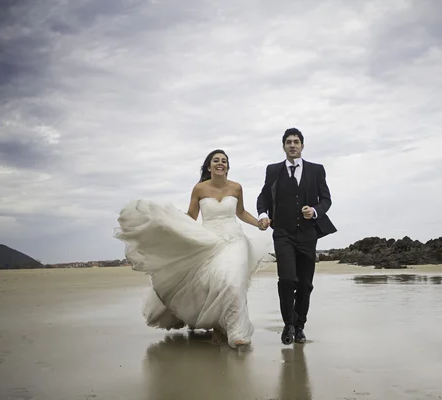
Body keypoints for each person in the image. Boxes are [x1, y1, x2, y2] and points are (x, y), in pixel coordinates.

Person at [113, 149, 273, 348]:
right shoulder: (199, 189)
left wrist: (258, 223)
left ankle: (237, 331)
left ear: (228, 167)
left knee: (232, 281)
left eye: (224, 161)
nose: (220, 163)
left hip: (235, 240)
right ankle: (218, 325)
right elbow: (191, 216)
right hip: (209, 240)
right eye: (216, 160)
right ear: (209, 166)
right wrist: (170, 224)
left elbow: (240, 212)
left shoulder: (236, 188)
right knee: (215, 282)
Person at [256, 128, 337, 345]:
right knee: (287, 280)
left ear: (302, 145)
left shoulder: (316, 170)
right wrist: (263, 215)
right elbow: (263, 197)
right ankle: (289, 324)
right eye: (289, 142)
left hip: (308, 234)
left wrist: (315, 211)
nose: (293, 145)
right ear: (283, 146)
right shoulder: (273, 170)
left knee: (304, 284)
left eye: (296, 142)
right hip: (282, 233)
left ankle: (300, 326)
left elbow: (326, 200)